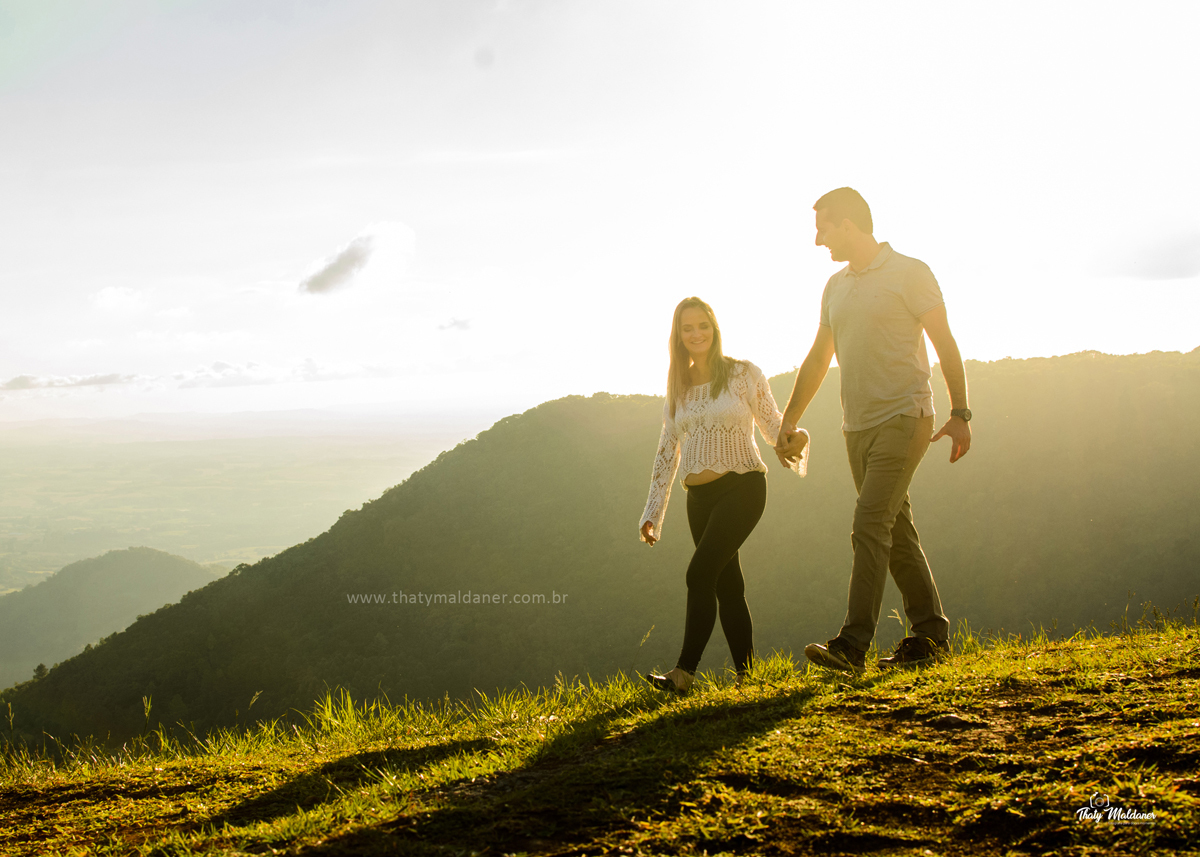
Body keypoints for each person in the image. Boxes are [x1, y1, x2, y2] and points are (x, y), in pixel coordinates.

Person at [775, 187, 971, 672]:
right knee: (893, 529)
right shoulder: (835, 287)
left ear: (848, 223)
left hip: (905, 417)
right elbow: (820, 357)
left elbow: (944, 341)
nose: (819, 240)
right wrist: (789, 417)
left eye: (823, 227)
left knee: (868, 524)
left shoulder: (910, 272)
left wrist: (960, 412)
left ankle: (852, 644)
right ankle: (930, 635)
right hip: (855, 427)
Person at [639, 296, 809, 693]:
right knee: (728, 586)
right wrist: (652, 512)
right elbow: (666, 455)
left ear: (714, 328)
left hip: (743, 486)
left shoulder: (743, 374)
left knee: (699, 574)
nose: (696, 333)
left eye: (703, 325)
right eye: (687, 328)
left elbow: (773, 425)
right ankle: (749, 679)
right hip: (697, 499)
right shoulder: (677, 391)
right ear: (678, 337)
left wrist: (795, 437)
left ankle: (683, 673)